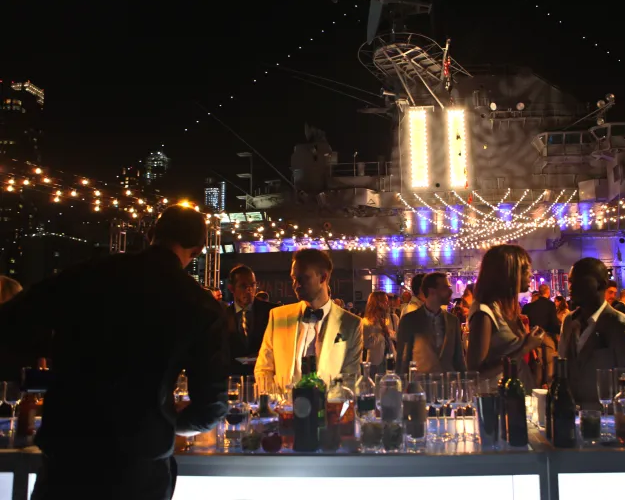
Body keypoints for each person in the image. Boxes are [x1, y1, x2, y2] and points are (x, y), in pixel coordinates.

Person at [0, 205, 229, 500]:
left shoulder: (87, 274)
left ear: (150, 235)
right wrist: (168, 421)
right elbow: (211, 407)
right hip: (138, 469)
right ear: (198, 250)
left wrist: (56, 353)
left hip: (67, 460)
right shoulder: (202, 306)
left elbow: (10, 324)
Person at [255, 249, 363, 387]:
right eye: (293, 278)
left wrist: (326, 407)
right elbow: (263, 369)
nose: (295, 285)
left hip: (328, 406)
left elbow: (350, 380)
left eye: (302, 278)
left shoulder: (350, 324)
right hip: (283, 406)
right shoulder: (278, 317)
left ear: (323, 278)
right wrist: (276, 403)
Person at [559, 257, 625, 408]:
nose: (571, 287)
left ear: (601, 284)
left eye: (579, 281)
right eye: (571, 281)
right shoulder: (569, 322)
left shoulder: (624, 327)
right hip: (571, 417)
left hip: (607, 421)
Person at [466, 245, 548, 387]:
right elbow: (476, 374)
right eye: (525, 269)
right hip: (497, 400)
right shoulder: (484, 313)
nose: (530, 274)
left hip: (519, 394)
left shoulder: (510, 310)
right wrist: (525, 348)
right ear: (508, 273)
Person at [396, 272, 466, 374]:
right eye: (445, 288)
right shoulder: (409, 320)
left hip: (447, 385)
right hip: (421, 385)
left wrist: (466, 383)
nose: (451, 291)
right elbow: (402, 360)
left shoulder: (453, 321)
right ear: (432, 291)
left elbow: (459, 359)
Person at [226, 265, 277, 375]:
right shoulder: (223, 315)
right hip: (233, 376)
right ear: (231, 288)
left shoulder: (272, 311)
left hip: (264, 374)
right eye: (243, 286)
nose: (249, 290)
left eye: (253, 285)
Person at [362, 292, 397, 375]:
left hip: (392, 360)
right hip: (376, 363)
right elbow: (367, 344)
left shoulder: (393, 318)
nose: (387, 304)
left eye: (387, 301)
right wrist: (380, 335)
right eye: (384, 301)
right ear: (376, 303)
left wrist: (389, 333)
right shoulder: (366, 321)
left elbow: (399, 336)